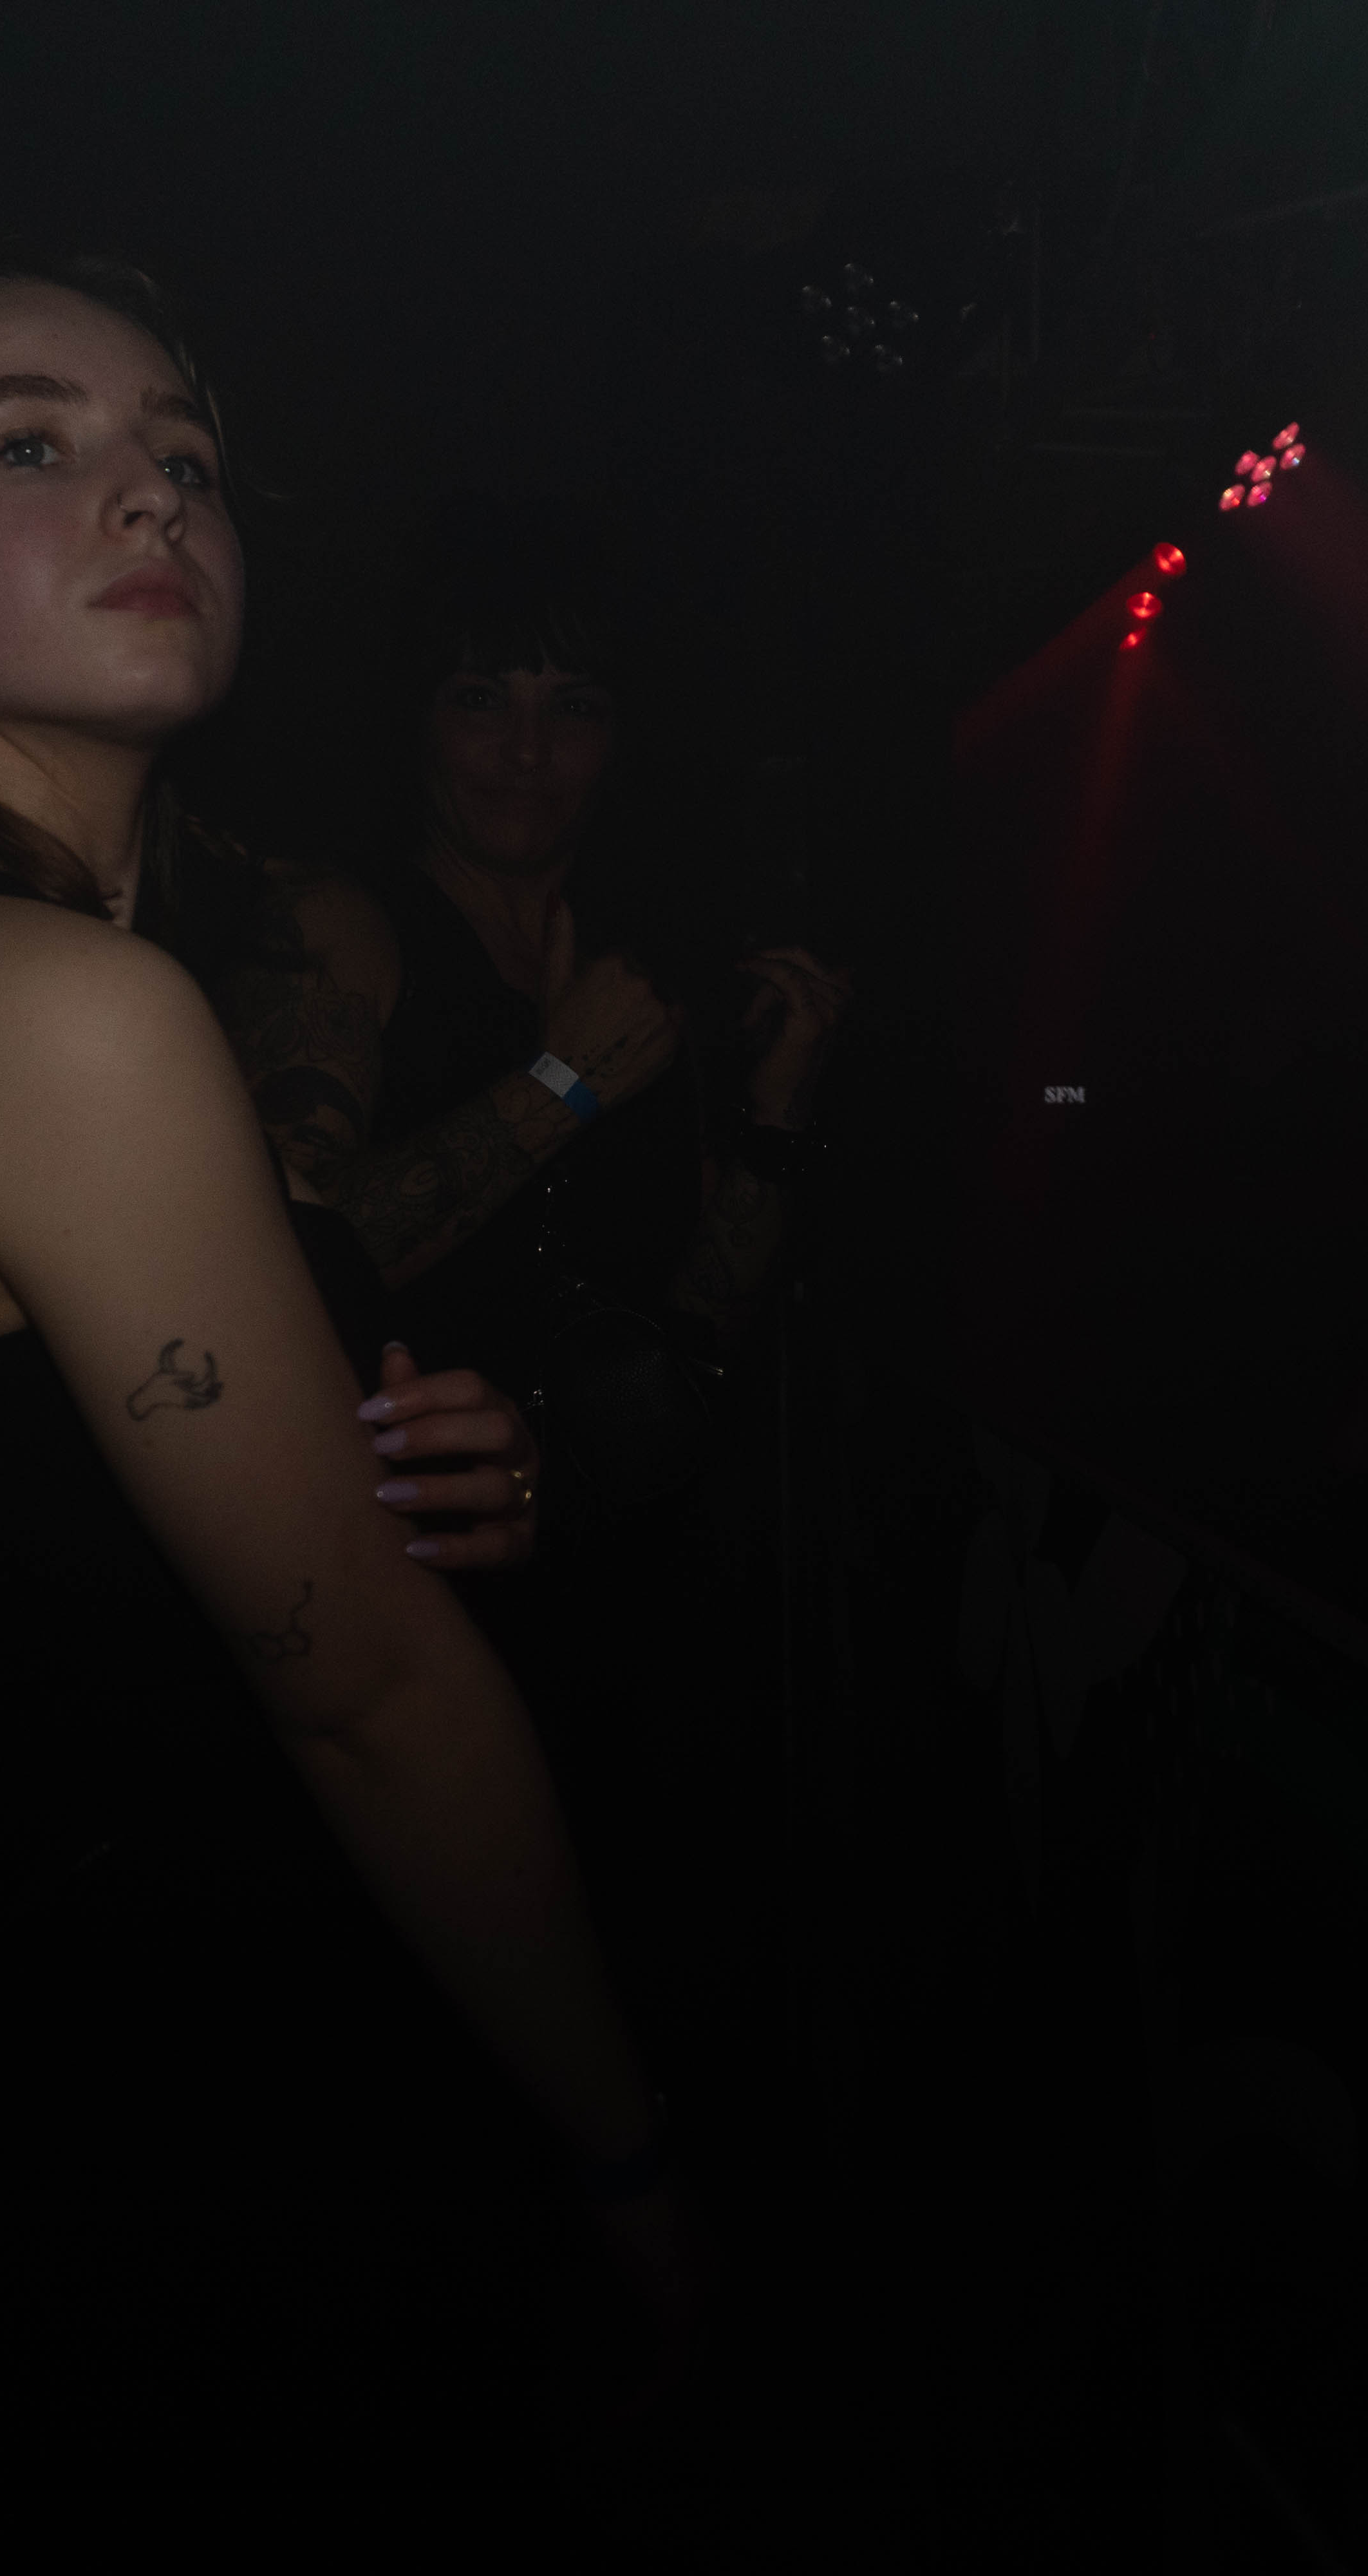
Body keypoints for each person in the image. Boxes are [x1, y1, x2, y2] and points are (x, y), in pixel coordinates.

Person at [0, 258, 706, 2570]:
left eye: (186, 454)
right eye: (33, 441)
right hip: (74, 2136)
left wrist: (402, 1453)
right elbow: (374, 1702)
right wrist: (629, 2162)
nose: (153, 493)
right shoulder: (40, 1001)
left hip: (8, 2037)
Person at [214, 513, 849, 2102]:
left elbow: (694, 1340)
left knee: (670, 2049)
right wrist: (559, 1085)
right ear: (415, 720)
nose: (525, 751)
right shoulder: (339, 927)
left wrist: (775, 1116)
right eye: (481, 697)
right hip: (420, 1628)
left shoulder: (638, 978)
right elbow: (274, 1263)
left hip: (642, 1614)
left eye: (572, 707)